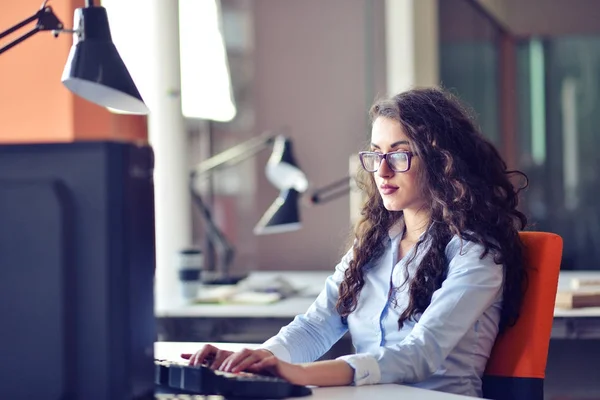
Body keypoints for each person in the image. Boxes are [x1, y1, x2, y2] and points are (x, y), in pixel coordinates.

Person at [181, 87, 528, 398]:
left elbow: (420, 353)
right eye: (377, 154)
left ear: (441, 161)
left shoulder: (476, 254)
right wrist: (259, 360)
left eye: (399, 154)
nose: (382, 171)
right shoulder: (374, 245)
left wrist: (299, 373)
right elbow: (316, 326)